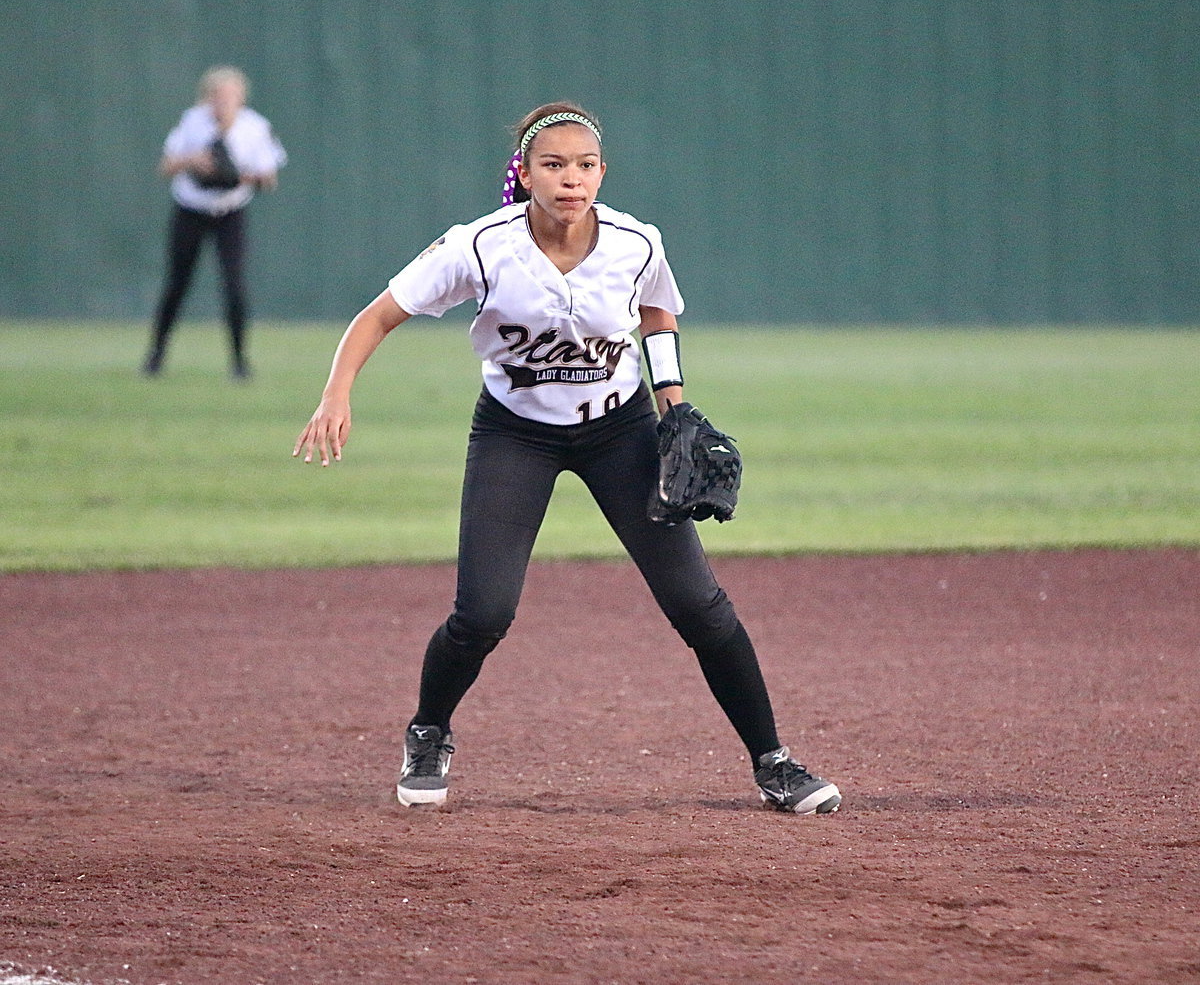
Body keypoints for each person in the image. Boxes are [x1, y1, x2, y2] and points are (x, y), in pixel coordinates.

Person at [293, 101, 841, 815]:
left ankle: (773, 761)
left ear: (602, 173)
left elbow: (656, 311)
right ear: (524, 173)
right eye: (553, 165)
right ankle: (429, 730)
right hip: (514, 433)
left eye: (585, 166)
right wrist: (337, 393)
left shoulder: (635, 242)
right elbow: (379, 315)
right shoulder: (480, 246)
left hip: (621, 431)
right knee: (484, 612)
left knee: (697, 605)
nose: (570, 179)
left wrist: (672, 398)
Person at [143, 65, 287, 380]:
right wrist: (192, 161)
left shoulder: (254, 128)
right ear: (206, 98)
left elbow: (268, 177)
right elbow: (166, 165)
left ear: (241, 98)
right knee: (177, 283)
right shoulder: (192, 123)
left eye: (229, 96)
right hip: (191, 209)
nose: (222, 103)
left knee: (234, 285)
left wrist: (233, 174)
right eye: (216, 96)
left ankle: (239, 362)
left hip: (230, 212)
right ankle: (155, 356)